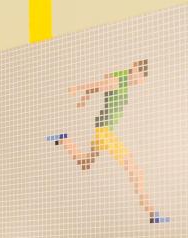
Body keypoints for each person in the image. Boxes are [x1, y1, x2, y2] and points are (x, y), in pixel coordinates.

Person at [47, 59, 169, 224]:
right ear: (136, 71)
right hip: (105, 132)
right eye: (142, 76)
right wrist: (78, 89)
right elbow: (99, 85)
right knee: (135, 170)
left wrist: (85, 96)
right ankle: (152, 214)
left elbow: (97, 87)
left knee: (85, 163)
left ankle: (63, 140)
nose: (141, 81)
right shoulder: (119, 81)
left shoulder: (122, 82)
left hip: (102, 131)